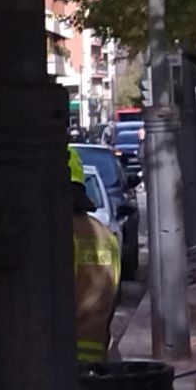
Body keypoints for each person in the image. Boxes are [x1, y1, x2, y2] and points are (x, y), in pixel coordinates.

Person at [69, 148, 121, 363]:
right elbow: (113, 298)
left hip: (59, 358)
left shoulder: (52, 235)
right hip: (96, 356)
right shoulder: (106, 236)